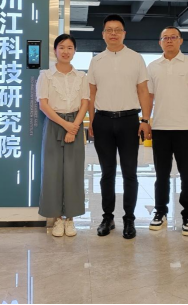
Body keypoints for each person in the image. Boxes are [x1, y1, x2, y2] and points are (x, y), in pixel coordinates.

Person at [88, 14, 152, 240]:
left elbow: (143, 91)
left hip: (129, 121)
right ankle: (107, 217)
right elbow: (91, 93)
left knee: (129, 173)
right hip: (102, 120)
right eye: (109, 30)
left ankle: (129, 219)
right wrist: (91, 121)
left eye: (117, 30)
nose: (113, 33)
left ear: (124, 33)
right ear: (103, 34)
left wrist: (145, 120)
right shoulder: (96, 61)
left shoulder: (136, 58)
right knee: (106, 173)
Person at [148, 27, 188, 237]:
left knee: (187, 174)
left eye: (173, 37)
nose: (169, 40)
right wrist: (146, 121)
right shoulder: (153, 67)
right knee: (161, 174)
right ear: (160, 42)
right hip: (160, 128)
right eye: (165, 38)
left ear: (180, 41)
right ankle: (160, 211)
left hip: (184, 129)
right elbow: (148, 96)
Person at [36, 35, 90, 237]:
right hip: (54, 124)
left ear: (74, 51)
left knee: (74, 172)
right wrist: (66, 125)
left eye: (69, 47)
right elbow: (43, 104)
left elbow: (85, 102)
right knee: (52, 171)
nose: (65, 51)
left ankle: (71, 218)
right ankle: (57, 218)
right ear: (55, 50)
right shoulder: (46, 76)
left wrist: (74, 127)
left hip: (75, 123)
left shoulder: (81, 76)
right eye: (61, 47)